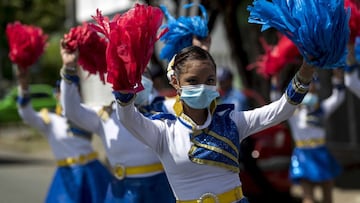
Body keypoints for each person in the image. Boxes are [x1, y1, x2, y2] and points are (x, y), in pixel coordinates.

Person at [113, 45, 316, 203]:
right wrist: (123, 92)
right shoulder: (164, 132)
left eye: (209, 80)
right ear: (175, 82)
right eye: (193, 81)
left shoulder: (233, 122)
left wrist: (306, 71)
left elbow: (282, 109)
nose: (202, 87)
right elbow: (128, 118)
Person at [59, 40, 175, 203]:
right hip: (121, 193)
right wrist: (69, 68)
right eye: (128, 76)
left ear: (151, 79)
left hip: (160, 192)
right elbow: (72, 111)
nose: (136, 81)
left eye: (142, 74)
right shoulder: (106, 115)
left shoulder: (165, 108)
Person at [16, 66, 112, 203]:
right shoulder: (50, 119)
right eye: (61, 91)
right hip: (67, 173)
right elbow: (27, 115)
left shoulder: (85, 113)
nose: (66, 94)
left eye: (75, 90)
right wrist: (24, 88)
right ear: (57, 94)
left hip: (92, 171)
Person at [271, 70, 345, 203]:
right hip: (303, 155)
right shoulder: (293, 111)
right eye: (308, 84)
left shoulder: (322, 108)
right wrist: (275, 81)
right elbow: (277, 103)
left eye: (313, 84)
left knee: (328, 196)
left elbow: (338, 97)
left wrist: (338, 77)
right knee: (308, 197)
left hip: (321, 152)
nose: (311, 87)